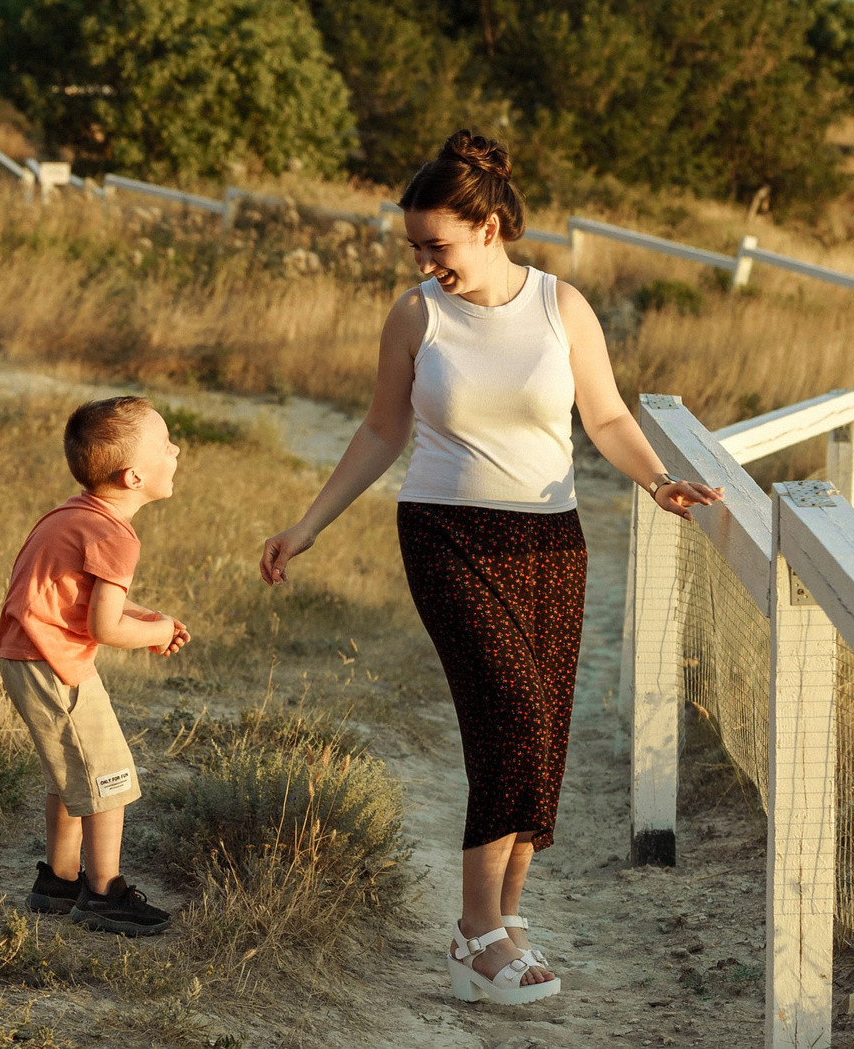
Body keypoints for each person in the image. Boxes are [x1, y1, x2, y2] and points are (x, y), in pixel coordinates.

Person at [256, 131, 721, 1006]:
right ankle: (473, 936)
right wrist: (309, 523)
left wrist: (658, 482)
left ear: (492, 225)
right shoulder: (416, 316)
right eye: (416, 249)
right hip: (445, 535)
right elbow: (381, 431)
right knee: (506, 716)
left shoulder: (561, 307)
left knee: (543, 735)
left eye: (439, 245)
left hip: (550, 542)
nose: (427, 264)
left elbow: (609, 418)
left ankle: (508, 919)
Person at [0, 395, 192, 936]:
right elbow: (105, 629)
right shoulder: (114, 534)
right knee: (110, 776)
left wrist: (144, 616)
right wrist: (154, 631)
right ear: (133, 476)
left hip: (31, 655)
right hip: (55, 663)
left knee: (70, 773)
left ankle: (58, 881)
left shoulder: (76, 513)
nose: (175, 449)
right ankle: (105, 891)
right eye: (165, 443)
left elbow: (77, 602)